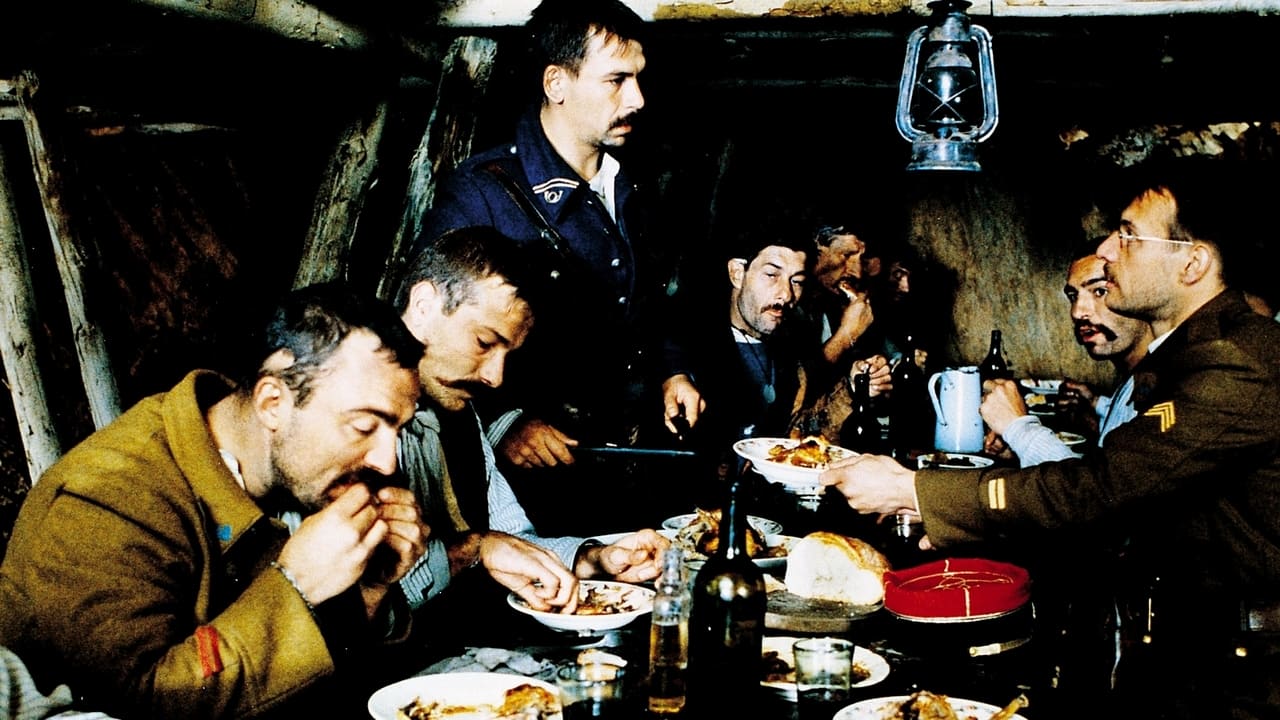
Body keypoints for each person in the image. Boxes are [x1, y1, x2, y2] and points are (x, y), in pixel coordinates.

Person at [820, 161, 1280, 719]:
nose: (1107, 250)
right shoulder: (1192, 354)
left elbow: (1105, 487)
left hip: (1239, 680)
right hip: (1193, 655)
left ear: (1193, 264)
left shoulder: (1237, 361)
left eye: (1129, 234)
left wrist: (914, 490)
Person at [0, 283, 428, 719]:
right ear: (272, 403)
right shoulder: (105, 498)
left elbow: (319, 685)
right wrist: (295, 584)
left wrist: (369, 588)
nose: (387, 462)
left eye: (399, 429)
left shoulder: (281, 470)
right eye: (363, 427)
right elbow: (137, 704)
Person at [414, 0, 696, 535]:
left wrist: (673, 370)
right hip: (531, 484)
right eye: (616, 80)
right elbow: (427, 336)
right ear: (556, 83)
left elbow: (654, 300)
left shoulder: (634, 189)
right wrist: (503, 422)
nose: (637, 98)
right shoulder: (482, 193)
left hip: (628, 464)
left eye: (638, 78)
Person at [391, 226, 668, 621]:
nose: (495, 377)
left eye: (507, 353)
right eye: (484, 342)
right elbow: (371, 596)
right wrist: (475, 548)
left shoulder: (458, 410)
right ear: (423, 305)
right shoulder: (358, 419)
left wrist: (594, 559)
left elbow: (511, 539)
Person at [981, 244, 1155, 466]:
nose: (1077, 312)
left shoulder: (1164, 385)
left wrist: (1019, 429)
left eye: (1100, 291)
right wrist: (1021, 451)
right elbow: (1108, 472)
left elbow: (1093, 488)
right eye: (1073, 296)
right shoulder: (1131, 381)